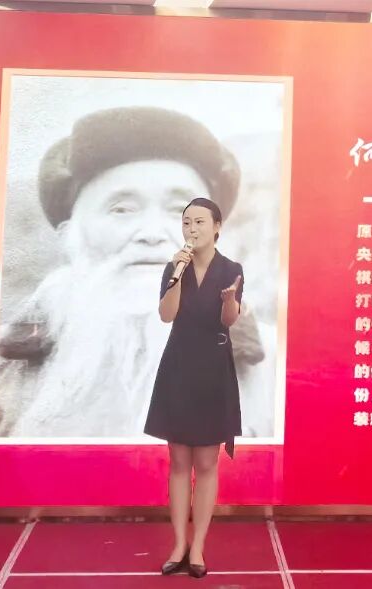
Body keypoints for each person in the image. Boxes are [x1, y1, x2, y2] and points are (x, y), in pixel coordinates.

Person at [0, 106, 265, 439]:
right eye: (121, 209)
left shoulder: (274, 367)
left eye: (182, 213)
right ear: (72, 234)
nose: (152, 234)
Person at [146, 197, 244, 579]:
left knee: (205, 463)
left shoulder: (231, 270)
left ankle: (198, 546)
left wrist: (230, 300)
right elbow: (166, 315)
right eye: (187, 222)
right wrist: (177, 274)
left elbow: (228, 321)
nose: (192, 229)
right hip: (179, 367)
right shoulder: (175, 266)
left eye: (200, 222)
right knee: (178, 462)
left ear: (217, 227)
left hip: (213, 371)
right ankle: (178, 544)